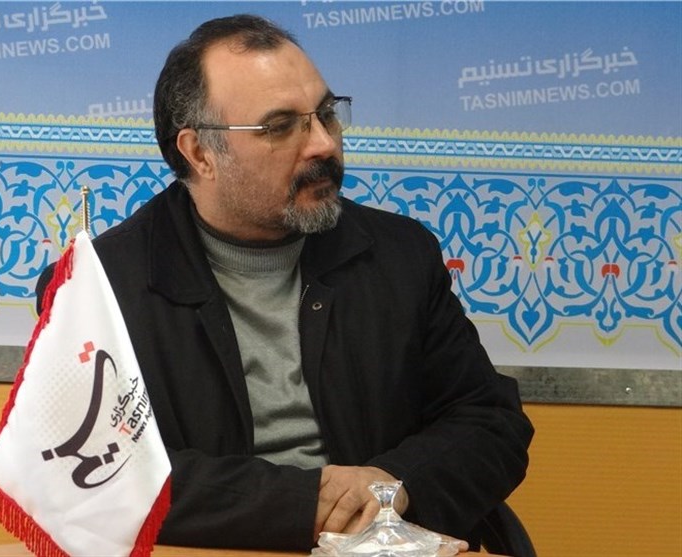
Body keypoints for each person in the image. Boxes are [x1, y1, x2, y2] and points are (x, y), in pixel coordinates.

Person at [38, 14, 533, 552]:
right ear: (199, 153)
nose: (323, 144)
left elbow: (489, 422)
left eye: (326, 115)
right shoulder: (96, 289)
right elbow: (96, 472)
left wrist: (393, 483)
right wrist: (306, 502)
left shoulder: (399, 255)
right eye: (280, 126)